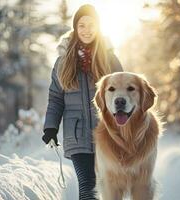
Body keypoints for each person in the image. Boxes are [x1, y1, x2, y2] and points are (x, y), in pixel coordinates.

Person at [41, 4, 123, 200]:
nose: (86, 30)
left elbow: (123, 97)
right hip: (76, 135)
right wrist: (50, 128)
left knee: (107, 187)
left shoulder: (110, 59)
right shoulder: (63, 62)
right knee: (87, 186)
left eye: (91, 25)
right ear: (75, 29)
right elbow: (55, 99)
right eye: (81, 25)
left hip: (108, 134)